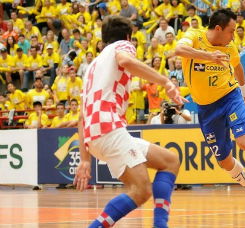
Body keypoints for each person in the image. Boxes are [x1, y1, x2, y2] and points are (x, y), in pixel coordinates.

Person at [74, 15, 186, 228]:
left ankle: (160, 226)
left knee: (169, 161)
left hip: (97, 135)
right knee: (141, 190)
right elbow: (125, 61)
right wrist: (165, 82)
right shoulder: (122, 46)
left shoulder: (92, 67)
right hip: (109, 128)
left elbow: (81, 117)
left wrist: (85, 159)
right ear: (128, 37)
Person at [175, 9, 245, 211]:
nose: (233, 35)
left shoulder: (230, 47)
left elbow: (238, 67)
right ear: (218, 28)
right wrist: (208, 56)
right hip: (206, 108)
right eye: (231, 30)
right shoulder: (194, 36)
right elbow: (179, 50)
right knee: (224, 161)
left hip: (230, 96)